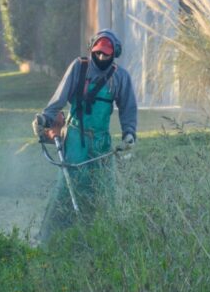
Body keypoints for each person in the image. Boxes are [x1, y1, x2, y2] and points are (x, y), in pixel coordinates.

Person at [32, 29, 138, 241]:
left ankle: (104, 237)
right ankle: (49, 239)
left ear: (114, 53)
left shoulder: (120, 77)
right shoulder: (79, 68)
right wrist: (45, 118)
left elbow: (128, 108)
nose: (100, 58)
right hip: (75, 138)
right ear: (92, 50)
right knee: (67, 187)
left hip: (101, 141)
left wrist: (129, 133)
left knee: (104, 190)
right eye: (97, 53)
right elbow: (60, 97)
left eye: (105, 54)